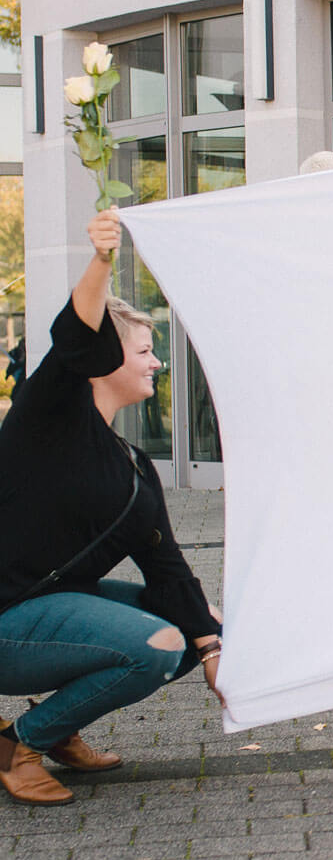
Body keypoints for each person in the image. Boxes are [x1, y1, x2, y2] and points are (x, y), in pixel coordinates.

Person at [0, 210, 223, 805]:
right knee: (157, 646)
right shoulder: (47, 417)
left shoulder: (133, 465)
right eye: (146, 350)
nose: (156, 362)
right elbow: (76, 338)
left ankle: (57, 727)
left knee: (192, 623)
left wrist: (214, 647)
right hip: (5, 620)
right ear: (106, 360)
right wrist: (102, 260)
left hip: (39, 609)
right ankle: (19, 744)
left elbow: (168, 568)